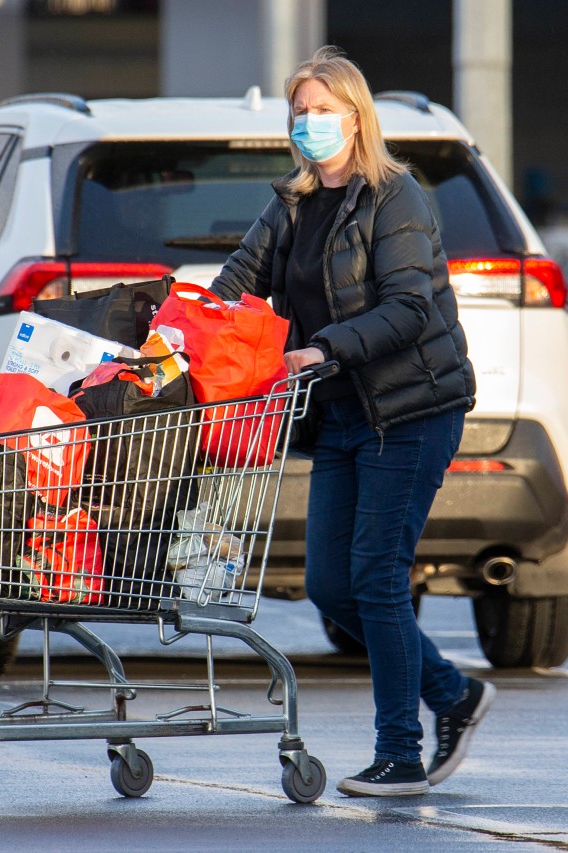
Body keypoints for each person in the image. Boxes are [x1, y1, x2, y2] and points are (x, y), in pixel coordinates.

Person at [210, 45, 495, 797]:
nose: (310, 124)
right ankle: (453, 694)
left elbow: (409, 308)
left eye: (323, 111)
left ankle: (400, 750)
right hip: (340, 416)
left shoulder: (395, 197)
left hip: (411, 408)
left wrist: (321, 349)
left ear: (356, 116)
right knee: (334, 585)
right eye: (299, 112)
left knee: (375, 576)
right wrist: (186, 326)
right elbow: (238, 281)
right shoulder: (295, 204)